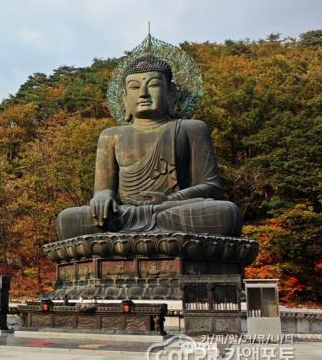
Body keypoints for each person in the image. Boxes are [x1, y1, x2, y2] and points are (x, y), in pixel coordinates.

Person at [56, 53, 242, 240]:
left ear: (171, 92)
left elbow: (211, 187)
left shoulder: (191, 128)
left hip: (173, 210)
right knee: (68, 219)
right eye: (134, 87)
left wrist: (170, 200)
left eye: (153, 85)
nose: (143, 93)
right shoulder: (110, 135)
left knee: (226, 212)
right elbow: (104, 189)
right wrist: (102, 197)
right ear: (124, 98)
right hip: (125, 214)